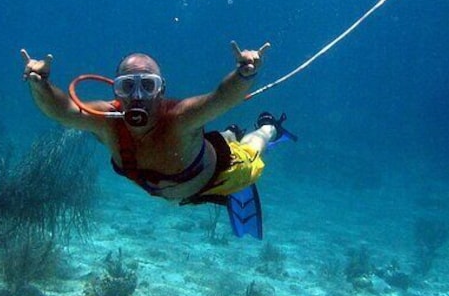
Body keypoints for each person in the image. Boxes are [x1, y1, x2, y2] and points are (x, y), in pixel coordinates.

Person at [20, 42, 295, 238]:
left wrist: (244, 73)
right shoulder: (106, 121)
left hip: (221, 175)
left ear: (161, 90)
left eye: (148, 85)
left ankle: (269, 127)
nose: (138, 96)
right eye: (128, 86)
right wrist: (40, 83)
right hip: (185, 172)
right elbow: (63, 111)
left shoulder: (180, 118)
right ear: (116, 90)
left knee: (252, 147)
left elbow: (221, 98)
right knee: (222, 137)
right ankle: (229, 133)